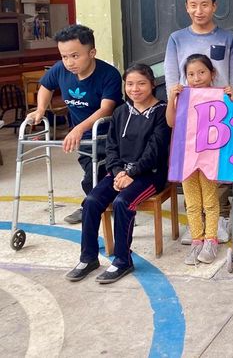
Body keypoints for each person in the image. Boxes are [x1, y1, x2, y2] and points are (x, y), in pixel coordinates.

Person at [65, 64, 170, 284]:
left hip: (150, 174)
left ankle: (123, 260)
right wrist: (118, 171)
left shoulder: (161, 111)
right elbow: (111, 147)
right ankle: (88, 258)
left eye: (141, 83)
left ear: (152, 84)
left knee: (123, 202)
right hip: (120, 172)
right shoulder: (121, 111)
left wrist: (131, 172)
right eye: (130, 84)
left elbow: (155, 149)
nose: (135, 89)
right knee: (92, 201)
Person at [165, 0, 233, 244]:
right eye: (194, 5)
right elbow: (172, 77)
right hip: (189, 116)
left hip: (218, 114)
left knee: (217, 166)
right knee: (192, 169)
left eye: (205, 5)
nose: (199, 10)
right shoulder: (177, 39)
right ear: (186, 7)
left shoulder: (228, 38)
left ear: (215, 6)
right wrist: (175, 100)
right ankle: (196, 223)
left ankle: (219, 219)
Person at [27, 25, 123, 224]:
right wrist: (41, 109)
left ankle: (93, 205)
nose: (69, 62)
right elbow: (45, 85)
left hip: (110, 134)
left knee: (98, 174)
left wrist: (78, 129)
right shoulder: (60, 69)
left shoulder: (109, 74)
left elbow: (106, 109)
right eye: (64, 57)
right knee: (91, 173)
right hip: (86, 136)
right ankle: (99, 203)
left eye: (75, 56)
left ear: (92, 53)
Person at [167, 55, 233, 265]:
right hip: (186, 157)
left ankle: (211, 240)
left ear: (212, 74)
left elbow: (231, 121)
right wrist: (171, 99)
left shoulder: (219, 94)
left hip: (208, 156)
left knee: (210, 201)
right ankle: (197, 239)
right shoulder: (182, 96)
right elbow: (171, 122)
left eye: (201, 72)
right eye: (191, 74)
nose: (196, 78)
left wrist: (231, 99)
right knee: (193, 202)